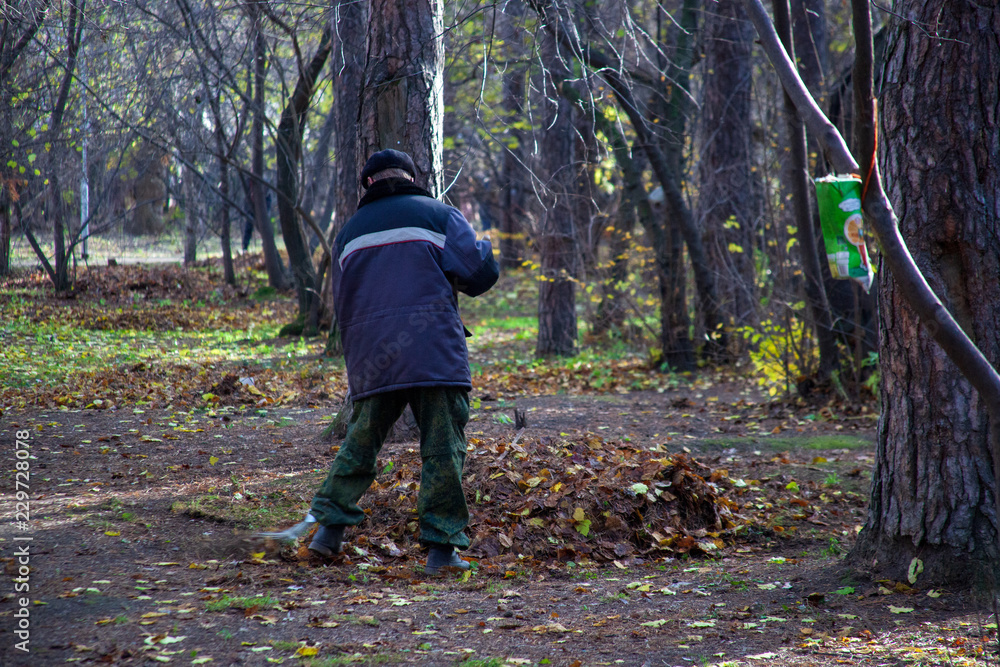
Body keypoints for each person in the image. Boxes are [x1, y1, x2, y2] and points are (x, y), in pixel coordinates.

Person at [307, 149, 499, 574]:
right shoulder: (439, 216)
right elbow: (481, 275)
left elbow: (342, 303)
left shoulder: (348, 233)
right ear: (411, 178)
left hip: (374, 355)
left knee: (360, 442)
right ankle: (442, 552)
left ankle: (327, 532)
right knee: (442, 448)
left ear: (369, 184)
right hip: (432, 350)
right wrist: (482, 248)